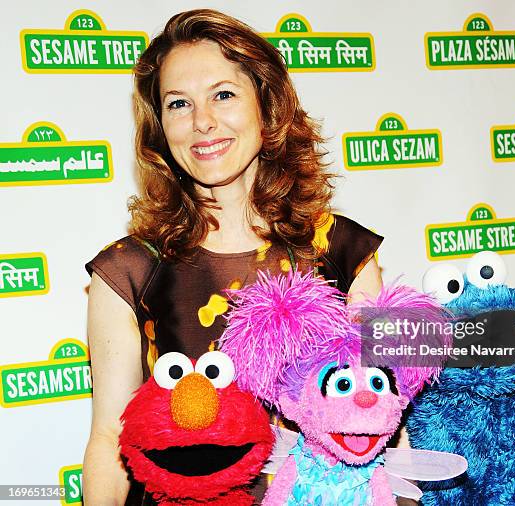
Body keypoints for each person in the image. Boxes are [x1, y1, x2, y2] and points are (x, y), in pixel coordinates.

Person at [82, 9, 383, 506]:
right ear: (161, 127)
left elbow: (382, 419)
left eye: (223, 94)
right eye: (179, 103)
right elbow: (108, 441)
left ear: (267, 107)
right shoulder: (129, 271)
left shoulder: (341, 253)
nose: (203, 122)